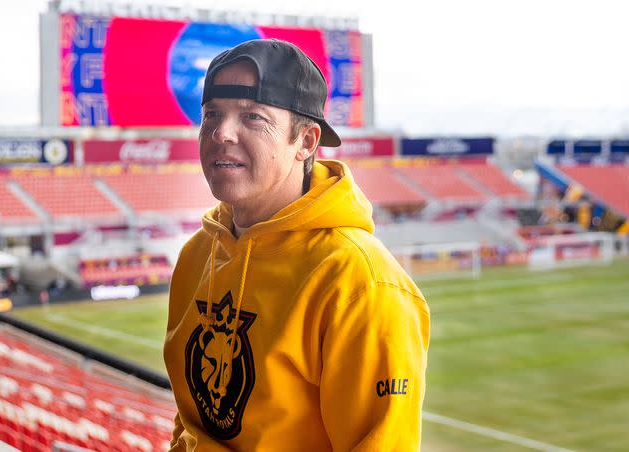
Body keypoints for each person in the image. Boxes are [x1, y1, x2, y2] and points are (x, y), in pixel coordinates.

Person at [163, 39, 430, 451]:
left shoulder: (360, 283)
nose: (221, 133)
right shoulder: (197, 254)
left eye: (252, 118)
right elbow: (191, 419)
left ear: (306, 142)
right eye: (211, 115)